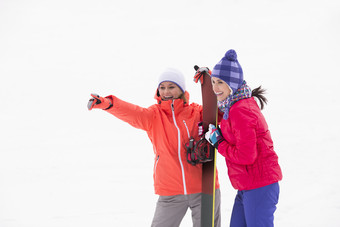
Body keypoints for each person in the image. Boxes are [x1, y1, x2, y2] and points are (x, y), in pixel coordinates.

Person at [87, 68, 221, 227]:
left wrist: (211, 80)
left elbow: (221, 110)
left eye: (171, 86)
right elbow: (131, 112)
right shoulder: (154, 115)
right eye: (162, 87)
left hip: (204, 187)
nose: (166, 91)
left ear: (182, 89)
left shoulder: (196, 111)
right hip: (170, 191)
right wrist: (108, 104)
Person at [205, 49, 283, 227]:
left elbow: (247, 155)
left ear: (232, 85)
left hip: (260, 186)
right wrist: (206, 76)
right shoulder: (233, 105)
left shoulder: (240, 110)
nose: (215, 88)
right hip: (249, 185)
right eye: (213, 82)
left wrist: (219, 143)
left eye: (220, 83)